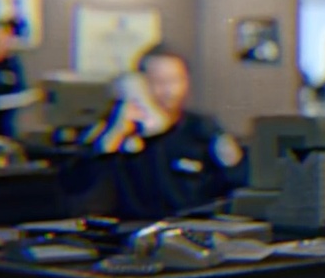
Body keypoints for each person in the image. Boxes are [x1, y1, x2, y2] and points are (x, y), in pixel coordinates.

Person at [64, 45, 247, 220]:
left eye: (175, 80)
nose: (169, 91)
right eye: (158, 82)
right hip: (134, 231)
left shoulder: (202, 129)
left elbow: (236, 184)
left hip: (189, 230)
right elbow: (74, 184)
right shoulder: (118, 130)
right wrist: (115, 135)